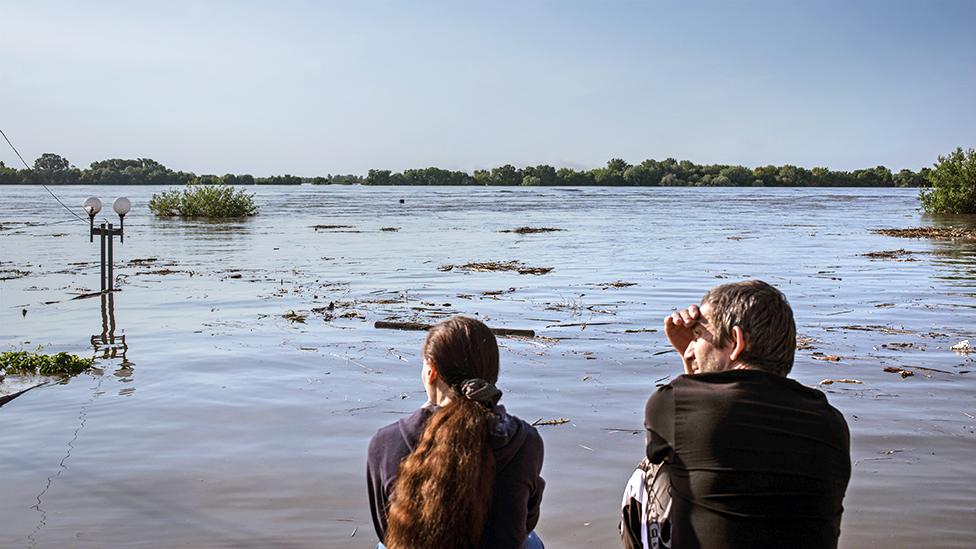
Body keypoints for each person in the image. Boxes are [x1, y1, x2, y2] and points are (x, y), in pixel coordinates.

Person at [621, 280, 851, 549]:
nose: (692, 349)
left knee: (654, 469)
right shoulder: (831, 421)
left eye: (697, 336)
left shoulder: (673, 403)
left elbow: (688, 429)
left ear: (736, 340)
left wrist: (690, 371)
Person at [367, 316, 546, 549]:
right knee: (532, 542)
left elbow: (386, 532)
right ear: (491, 375)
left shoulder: (386, 442)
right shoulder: (525, 441)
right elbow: (527, 521)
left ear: (431, 371)